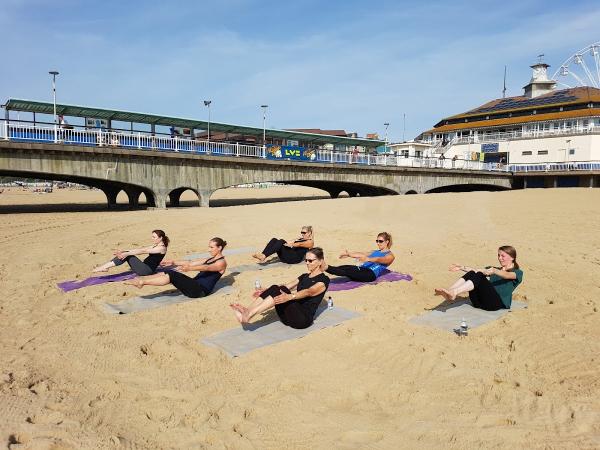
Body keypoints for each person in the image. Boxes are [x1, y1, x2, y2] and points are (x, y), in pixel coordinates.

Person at [230, 247, 329, 329]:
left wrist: (290, 296)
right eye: (306, 260)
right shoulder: (304, 276)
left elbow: (309, 292)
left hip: (302, 320)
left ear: (320, 261)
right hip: (288, 317)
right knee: (275, 287)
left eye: (311, 260)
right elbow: (286, 286)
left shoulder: (323, 280)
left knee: (279, 290)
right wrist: (268, 291)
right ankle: (247, 310)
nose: (307, 263)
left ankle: (249, 315)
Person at [125, 237, 227, 298]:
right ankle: (143, 279)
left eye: (211, 247)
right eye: (209, 247)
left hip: (200, 291)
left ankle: (142, 283)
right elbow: (191, 262)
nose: (209, 250)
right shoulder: (209, 259)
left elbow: (206, 268)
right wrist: (173, 262)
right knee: (169, 271)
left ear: (219, 248)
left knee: (172, 274)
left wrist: (189, 269)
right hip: (193, 286)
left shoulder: (221, 263)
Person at [434, 245, 523, 311]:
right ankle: (450, 291)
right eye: (498, 255)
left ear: (512, 257)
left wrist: (493, 270)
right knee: (473, 273)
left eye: (502, 256)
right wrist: (461, 267)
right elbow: (476, 271)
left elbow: (507, 275)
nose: (499, 258)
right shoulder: (495, 269)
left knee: (479, 274)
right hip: (478, 302)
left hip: (495, 304)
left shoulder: (517, 272)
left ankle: (454, 292)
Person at [322, 232, 395, 282]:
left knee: (347, 271)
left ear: (387, 241)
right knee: (345, 267)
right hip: (363, 269)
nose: (378, 243)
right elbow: (362, 253)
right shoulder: (375, 251)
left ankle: (326, 267)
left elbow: (380, 259)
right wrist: (349, 254)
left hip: (370, 274)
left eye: (380, 241)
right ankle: (325, 268)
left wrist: (368, 259)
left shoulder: (390, 255)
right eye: (377, 241)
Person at [93, 230, 169, 275]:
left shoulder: (162, 248)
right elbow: (141, 249)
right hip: (144, 267)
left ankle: (103, 267)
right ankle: (104, 267)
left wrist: (127, 253)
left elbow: (143, 251)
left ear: (161, 238)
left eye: (154, 237)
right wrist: (125, 251)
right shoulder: (155, 246)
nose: (152, 238)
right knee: (127, 254)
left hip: (146, 270)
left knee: (128, 255)